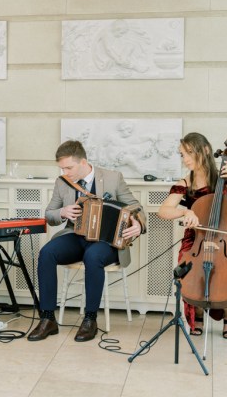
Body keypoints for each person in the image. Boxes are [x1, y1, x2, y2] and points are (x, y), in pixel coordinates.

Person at [27, 140, 146, 342]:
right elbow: (49, 214)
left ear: (83, 162)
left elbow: (136, 206)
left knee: (93, 256)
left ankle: (90, 319)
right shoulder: (62, 182)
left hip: (105, 242)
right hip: (75, 236)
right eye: (61, 168)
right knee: (47, 253)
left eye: (69, 167)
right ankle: (47, 318)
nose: (65, 172)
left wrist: (138, 224)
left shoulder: (112, 178)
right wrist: (62, 212)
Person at [158, 132, 227, 339]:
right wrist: (185, 211)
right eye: (182, 154)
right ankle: (197, 313)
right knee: (189, 271)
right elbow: (164, 211)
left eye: (189, 153)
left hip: (224, 240)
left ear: (205, 150)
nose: (185, 159)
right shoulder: (186, 182)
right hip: (195, 239)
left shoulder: (223, 180)